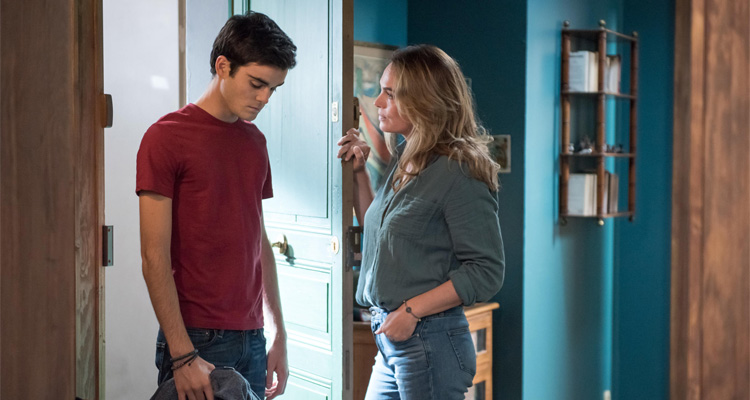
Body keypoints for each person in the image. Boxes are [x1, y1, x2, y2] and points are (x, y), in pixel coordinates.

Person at [137, 12, 296, 400]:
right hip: (196, 339)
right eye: (257, 83)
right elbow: (153, 256)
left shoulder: (255, 142)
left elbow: (259, 243)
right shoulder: (166, 137)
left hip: (252, 337)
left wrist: (277, 332)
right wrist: (182, 354)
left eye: (273, 89)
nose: (265, 98)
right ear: (223, 66)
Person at [337, 44, 505, 399]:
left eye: (390, 94)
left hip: (430, 341)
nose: (378, 102)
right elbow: (381, 236)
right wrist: (359, 175)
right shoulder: (407, 158)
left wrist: (411, 312)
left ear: (425, 101)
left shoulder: (459, 171)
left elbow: (486, 271)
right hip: (391, 339)